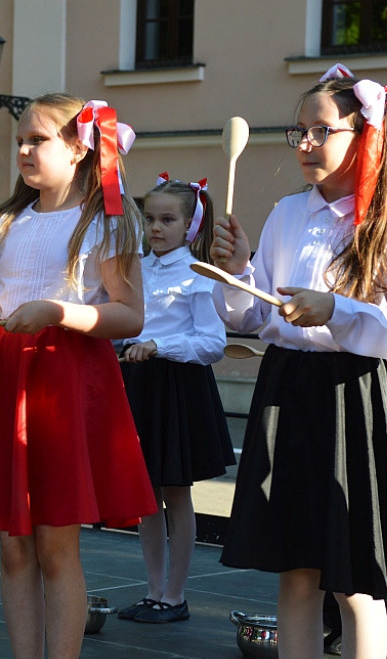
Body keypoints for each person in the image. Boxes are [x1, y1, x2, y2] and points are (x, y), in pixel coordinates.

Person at [210, 67, 387, 659]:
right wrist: (239, 269)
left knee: (356, 581)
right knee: (296, 572)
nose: (304, 144)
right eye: (298, 132)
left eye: (320, 131)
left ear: (364, 136)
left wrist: (337, 309)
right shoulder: (285, 213)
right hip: (287, 394)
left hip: (352, 397)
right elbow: (252, 315)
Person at [0, 94, 156, 659]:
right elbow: (0, 309)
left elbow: (130, 316)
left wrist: (59, 312)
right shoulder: (7, 222)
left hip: (66, 383)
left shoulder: (103, 221)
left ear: (77, 147)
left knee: (56, 545)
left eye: (36, 139)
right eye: (20, 139)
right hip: (8, 376)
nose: (22, 150)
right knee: (13, 545)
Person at [116, 175, 234, 624]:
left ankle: (175, 595)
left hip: (178, 388)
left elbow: (212, 343)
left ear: (191, 225)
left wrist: (159, 347)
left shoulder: (199, 276)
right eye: (150, 219)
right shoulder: (135, 269)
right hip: (138, 384)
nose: (156, 228)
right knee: (145, 494)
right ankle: (152, 590)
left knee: (176, 492)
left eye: (168, 219)